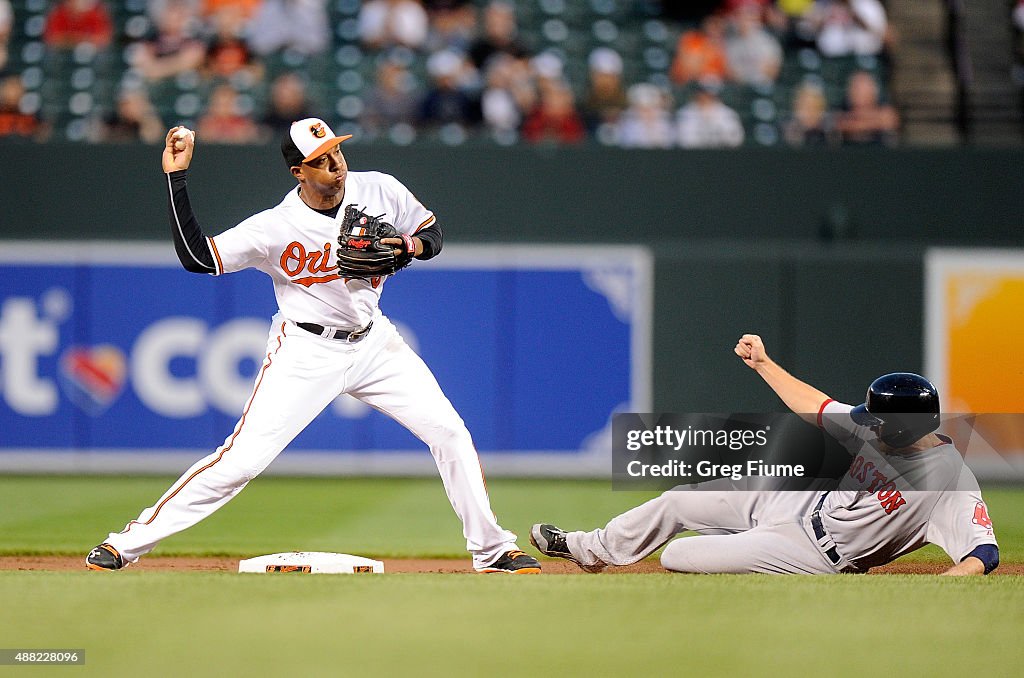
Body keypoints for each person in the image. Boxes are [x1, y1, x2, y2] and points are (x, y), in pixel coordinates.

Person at [85, 117, 541, 575]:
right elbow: (199, 257)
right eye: (319, 162)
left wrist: (408, 247)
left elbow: (432, 235)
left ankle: (493, 550)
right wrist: (176, 177)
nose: (335, 166)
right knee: (241, 461)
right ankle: (126, 544)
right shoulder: (274, 226)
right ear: (298, 173)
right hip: (305, 350)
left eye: (337, 153)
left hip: (374, 343)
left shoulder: (379, 188)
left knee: (449, 432)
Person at [531, 334, 999, 576]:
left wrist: (950, 581)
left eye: (876, 420)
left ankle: (737, 541)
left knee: (677, 555)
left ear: (902, 427)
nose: (866, 422)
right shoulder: (875, 427)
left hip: (813, 554)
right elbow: (814, 405)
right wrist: (764, 364)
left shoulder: (951, 482)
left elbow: (984, 551)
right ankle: (587, 549)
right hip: (799, 505)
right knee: (676, 500)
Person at [676, 78, 745, 148]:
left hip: (722, 154)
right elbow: (684, 141)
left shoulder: (728, 113)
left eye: (709, 94)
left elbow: (736, 140)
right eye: (703, 92)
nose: (705, 97)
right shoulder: (685, 112)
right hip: (694, 155)